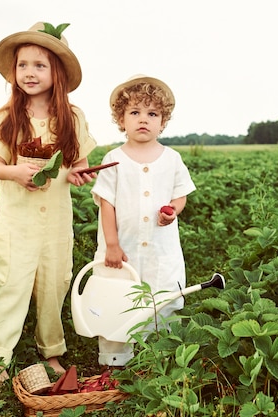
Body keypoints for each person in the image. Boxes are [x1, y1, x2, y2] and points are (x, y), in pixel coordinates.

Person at [0, 21, 97, 383]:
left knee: (53, 287)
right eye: (23, 65)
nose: (29, 72)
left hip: (56, 224)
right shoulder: (7, 116)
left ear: (57, 72)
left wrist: (80, 174)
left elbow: (79, 165)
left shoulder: (72, 117)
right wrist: (16, 172)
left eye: (39, 65)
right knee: (11, 284)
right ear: (13, 73)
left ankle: (53, 352)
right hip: (17, 223)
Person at [90, 75, 196, 367]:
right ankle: (116, 361)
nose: (143, 120)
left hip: (161, 250)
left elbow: (180, 195)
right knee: (118, 299)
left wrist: (172, 211)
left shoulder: (172, 158)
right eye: (134, 113)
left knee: (161, 298)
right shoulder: (114, 158)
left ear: (163, 122)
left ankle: (158, 360)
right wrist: (111, 243)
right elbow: (106, 204)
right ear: (121, 120)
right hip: (122, 250)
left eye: (152, 114)